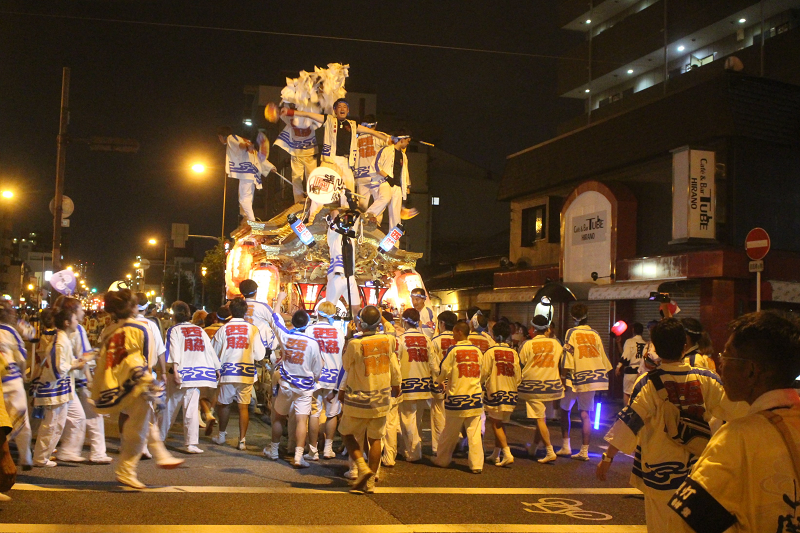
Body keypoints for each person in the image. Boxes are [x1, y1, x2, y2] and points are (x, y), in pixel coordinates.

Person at [596, 318, 746, 533]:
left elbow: (630, 423)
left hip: (658, 471)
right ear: (684, 346)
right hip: (698, 472)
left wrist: (608, 457)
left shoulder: (647, 383)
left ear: (655, 347)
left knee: (660, 526)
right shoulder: (707, 379)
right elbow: (736, 413)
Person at [666, 311, 800, 532]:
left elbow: (686, 521)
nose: (720, 365)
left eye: (727, 356)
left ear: (751, 371)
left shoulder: (738, 438)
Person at [93, 289, 183, 488]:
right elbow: (143, 357)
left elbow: (105, 356)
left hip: (116, 380)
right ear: (133, 307)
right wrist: (150, 377)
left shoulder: (110, 329)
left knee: (143, 420)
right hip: (137, 380)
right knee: (138, 425)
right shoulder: (139, 328)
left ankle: (159, 455)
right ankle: (127, 469)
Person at [281, 100, 391, 215]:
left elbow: (370, 131)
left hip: (346, 162)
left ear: (348, 111)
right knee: (320, 189)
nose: (342, 108)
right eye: (339, 107)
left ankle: (345, 219)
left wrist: (385, 139)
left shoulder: (353, 125)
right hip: (329, 161)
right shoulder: (329, 120)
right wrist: (290, 112)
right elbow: (309, 115)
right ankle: (312, 217)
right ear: (335, 110)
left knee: (348, 192)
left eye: (344, 107)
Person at [338, 305, 401, 494]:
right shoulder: (388, 340)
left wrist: (348, 337)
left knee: (347, 433)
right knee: (376, 439)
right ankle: (371, 482)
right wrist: (396, 384)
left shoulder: (355, 344)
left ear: (361, 323)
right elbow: (393, 365)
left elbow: (346, 365)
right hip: (381, 398)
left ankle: (362, 467)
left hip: (359, 399)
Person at [264, 309, 322, 468]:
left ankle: (274, 450)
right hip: (305, 387)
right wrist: (313, 378)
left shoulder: (286, 336)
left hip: (286, 384)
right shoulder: (313, 343)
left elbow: (274, 320)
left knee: (279, 417)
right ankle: (298, 456)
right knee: (302, 420)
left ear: (293, 322)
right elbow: (318, 369)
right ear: (307, 323)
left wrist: (279, 301)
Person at [161, 301, 220, 454]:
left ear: (174, 315)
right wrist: (217, 367)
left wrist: (174, 370)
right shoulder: (199, 330)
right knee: (191, 409)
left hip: (181, 373)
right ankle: (191, 443)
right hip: (197, 374)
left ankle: (160, 438)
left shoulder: (174, 330)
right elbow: (209, 349)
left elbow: (173, 351)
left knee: (170, 407)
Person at [32, 301, 86, 467]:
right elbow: (58, 368)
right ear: (67, 322)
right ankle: (41, 457)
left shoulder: (62, 339)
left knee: (56, 423)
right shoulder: (61, 341)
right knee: (52, 424)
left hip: (59, 389)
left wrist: (76, 362)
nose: (78, 322)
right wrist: (76, 364)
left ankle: (43, 455)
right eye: (75, 319)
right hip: (55, 390)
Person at [210, 297, 267, 450]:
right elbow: (260, 355)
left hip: (227, 372)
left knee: (224, 405)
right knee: (243, 406)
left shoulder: (223, 329)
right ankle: (242, 441)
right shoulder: (253, 329)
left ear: (231, 311)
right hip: (246, 372)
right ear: (245, 311)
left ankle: (221, 436)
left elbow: (213, 352)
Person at [557, 303, 612, 460]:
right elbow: (602, 356)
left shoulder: (571, 332)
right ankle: (584, 451)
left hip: (575, 377)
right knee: (585, 414)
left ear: (573, 317)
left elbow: (567, 355)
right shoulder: (595, 333)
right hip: (593, 376)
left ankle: (566, 446)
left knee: (565, 410)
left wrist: (562, 376)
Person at [58, 297, 108, 464]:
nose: (83, 311)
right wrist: (90, 379)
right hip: (81, 377)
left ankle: (67, 449)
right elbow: (83, 356)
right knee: (93, 415)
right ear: (73, 312)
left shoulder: (68, 330)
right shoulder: (77, 330)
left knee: (73, 415)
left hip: (73, 378)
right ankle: (96, 452)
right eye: (80, 309)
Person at [432, 321, 486, 473]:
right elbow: (482, 372)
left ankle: (442, 459)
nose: (453, 335)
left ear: (459, 332)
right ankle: (476, 465)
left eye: (454, 332)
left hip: (457, 397)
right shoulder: (477, 351)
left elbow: (444, 370)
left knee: (450, 432)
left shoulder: (454, 350)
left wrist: (438, 382)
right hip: (474, 397)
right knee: (474, 433)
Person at [518, 314, 571, 464]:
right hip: (552, 385)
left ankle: (549, 450)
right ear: (547, 328)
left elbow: (520, 363)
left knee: (540, 418)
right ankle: (534, 447)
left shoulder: (527, 344)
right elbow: (563, 361)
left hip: (533, 386)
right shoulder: (556, 344)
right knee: (541, 418)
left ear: (533, 328)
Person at [385, 308, 433, 465]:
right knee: (416, 420)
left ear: (404, 321)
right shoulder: (427, 339)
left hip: (407, 384)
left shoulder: (401, 340)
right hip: (424, 384)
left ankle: (413, 452)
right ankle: (409, 448)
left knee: (407, 419)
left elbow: (396, 364)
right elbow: (433, 363)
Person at [303, 301, 345, 460]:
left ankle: (313, 451)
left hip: (314, 377)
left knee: (313, 413)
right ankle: (328, 449)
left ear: (317, 313)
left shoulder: (309, 330)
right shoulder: (339, 333)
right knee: (332, 414)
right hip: (333, 378)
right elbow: (342, 358)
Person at [482, 321, 521, 467]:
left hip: (496, 390)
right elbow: (518, 375)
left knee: (496, 424)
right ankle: (496, 454)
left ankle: (507, 453)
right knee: (502, 423)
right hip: (511, 391)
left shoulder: (491, 352)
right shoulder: (513, 352)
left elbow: (484, 373)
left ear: (494, 335)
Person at [218, 126, 274, 223]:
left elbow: (240, 145)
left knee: (244, 198)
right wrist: (271, 167)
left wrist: (246, 146)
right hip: (251, 173)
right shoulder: (246, 141)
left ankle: (251, 220)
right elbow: (257, 155)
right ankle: (247, 219)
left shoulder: (231, 138)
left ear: (221, 136)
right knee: (247, 198)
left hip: (246, 173)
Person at [0, 301, 31, 470]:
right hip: (12, 380)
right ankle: (25, 458)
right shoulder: (11, 331)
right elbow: (20, 357)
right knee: (21, 419)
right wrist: (24, 374)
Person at [365, 131, 411, 230]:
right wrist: (387, 177)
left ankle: (394, 244)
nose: (408, 143)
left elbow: (405, 174)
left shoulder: (404, 156)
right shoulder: (386, 150)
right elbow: (377, 165)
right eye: (407, 141)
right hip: (384, 182)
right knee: (385, 198)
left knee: (396, 217)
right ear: (402, 139)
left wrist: (407, 192)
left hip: (398, 187)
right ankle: (367, 216)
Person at [274, 104, 320, 204]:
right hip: (296, 152)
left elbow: (320, 117)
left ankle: (314, 202)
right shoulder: (289, 116)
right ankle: (298, 202)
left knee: (312, 178)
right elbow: (279, 114)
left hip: (310, 152)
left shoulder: (310, 115)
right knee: (296, 178)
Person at [430, 310, 458, 455]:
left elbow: (433, 364)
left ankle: (439, 447)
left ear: (442, 323)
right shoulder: (459, 340)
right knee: (453, 416)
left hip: (440, 382)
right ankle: (453, 443)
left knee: (438, 414)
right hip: (456, 383)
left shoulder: (435, 341)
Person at [325, 209, 361, 317]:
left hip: (350, 277)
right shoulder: (333, 235)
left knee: (356, 309)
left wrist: (351, 210)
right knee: (328, 311)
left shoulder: (350, 234)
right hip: (337, 277)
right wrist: (336, 215)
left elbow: (357, 215)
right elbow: (334, 214)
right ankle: (326, 331)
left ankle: (358, 330)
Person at [353, 114, 386, 211]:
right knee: (379, 202)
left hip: (360, 175)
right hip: (375, 175)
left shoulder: (356, 139)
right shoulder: (380, 136)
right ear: (375, 125)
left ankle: (360, 223)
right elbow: (393, 144)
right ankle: (375, 223)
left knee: (361, 205)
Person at [616, 322, 647, 405]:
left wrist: (618, 366)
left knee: (627, 393)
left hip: (630, 371)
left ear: (633, 330)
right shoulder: (645, 343)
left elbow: (625, 355)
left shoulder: (629, 341)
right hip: (642, 373)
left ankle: (626, 413)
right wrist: (619, 343)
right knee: (639, 395)